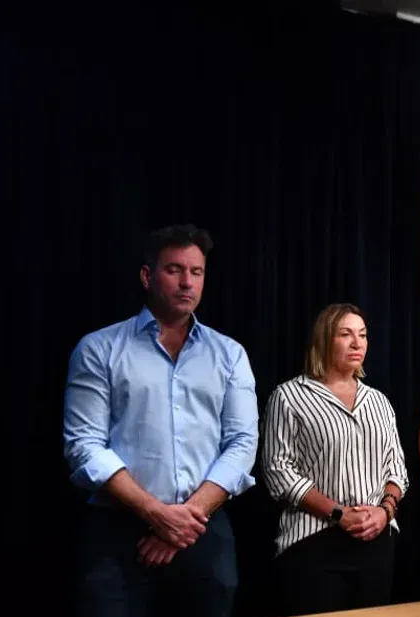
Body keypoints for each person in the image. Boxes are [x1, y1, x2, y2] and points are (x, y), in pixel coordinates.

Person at [62, 224, 259, 617]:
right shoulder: (99, 349)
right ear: (147, 276)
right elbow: (83, 446)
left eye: (197, 272)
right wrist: (156, 513)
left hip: (203, 532)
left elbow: (242, 444)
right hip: (118, 536)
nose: (187, 282)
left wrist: (183, 522)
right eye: (174, 270)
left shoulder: (229, 354)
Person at [261, 303, 409, 615]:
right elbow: (279, 472)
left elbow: (397, 468)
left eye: (363, 335)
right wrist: (339, 514)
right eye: (346, 334)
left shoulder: (378, 401)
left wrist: (385, 511)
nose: (358, 343)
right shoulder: (289, 396)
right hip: (314, 542)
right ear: (325, 339)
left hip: (375, 541)